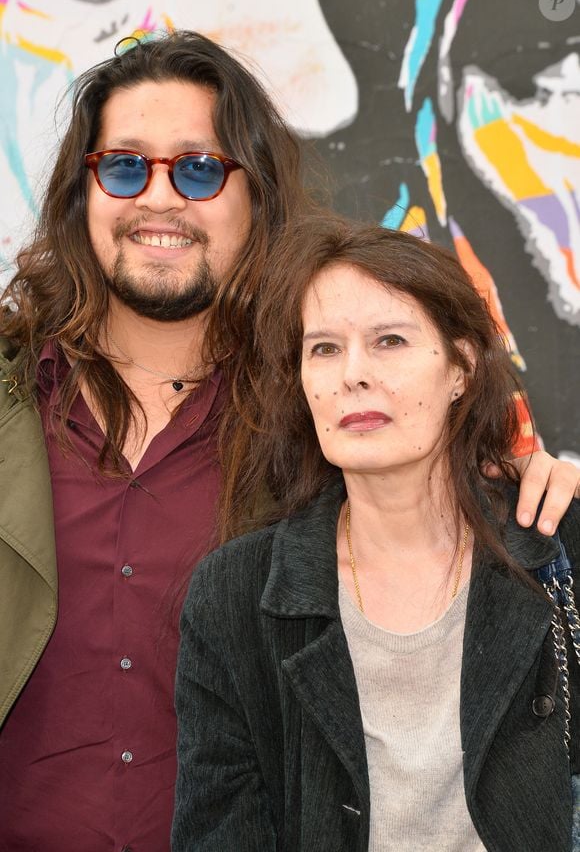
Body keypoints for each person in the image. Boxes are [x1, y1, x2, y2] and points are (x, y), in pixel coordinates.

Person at [0, 31, 577, 851]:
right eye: (125, 166)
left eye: (199, 169)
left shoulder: (320, 418)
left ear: (257, 195)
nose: (158, 199)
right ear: (81, 194)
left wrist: (522, 477)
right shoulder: (9, 400)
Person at [172, 216, 580, 852]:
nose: (352, 375)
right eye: (324, 349)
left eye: (389, 341)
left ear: (461, 368)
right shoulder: (234, 596)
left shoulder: (558, 542)